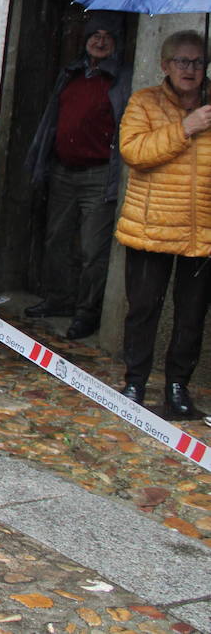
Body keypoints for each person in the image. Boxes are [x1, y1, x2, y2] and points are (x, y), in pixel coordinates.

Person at [114, 30, 211, 419]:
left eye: (198, 62)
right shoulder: (144, 102)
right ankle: (135, 381)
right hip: (150, 227)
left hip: (201, 230)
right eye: (182, 61)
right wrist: (185, 128)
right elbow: (134, 151)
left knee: (191, 315)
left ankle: (177, 387)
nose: (191, 69)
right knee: (143, 308)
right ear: (165, 65)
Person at [23, 14, 131, 340]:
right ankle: (59, 299)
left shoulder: (121, 78)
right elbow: (52, 119)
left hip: (99, 174)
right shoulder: (70, 73)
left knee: (93, 249)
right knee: (56, 239)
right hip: (63, 171)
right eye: (95, 35)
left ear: (117, 42)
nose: (100, 41)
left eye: (107, 36)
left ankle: (87, 312)